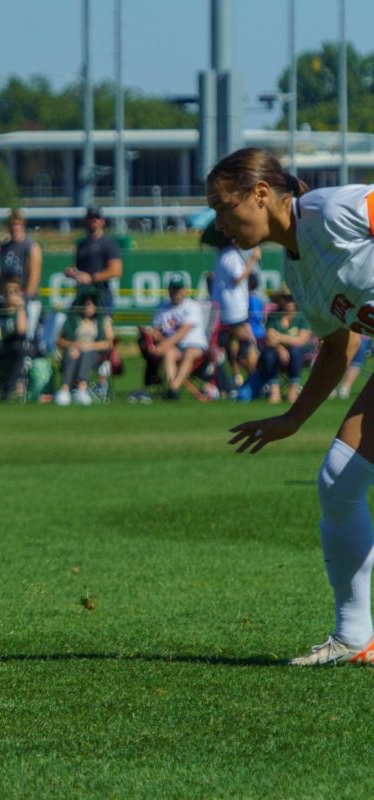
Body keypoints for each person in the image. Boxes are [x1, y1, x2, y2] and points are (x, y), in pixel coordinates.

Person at [212, 147, 374, 666]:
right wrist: (292, 418)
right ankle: (355, 638)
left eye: (223, 207)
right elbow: (338, 346)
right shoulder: (298, 271)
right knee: (339, 480)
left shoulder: (332, 210)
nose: (221, 223)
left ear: (261, 194)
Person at [136, 277, 208, 401]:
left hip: (195, 345)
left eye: (179, 289)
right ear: (168, 290)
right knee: (169, 354)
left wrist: (163, 345)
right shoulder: (162, 308)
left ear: (185, 291)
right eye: (173, 289)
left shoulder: (192, 306)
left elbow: (182, 332)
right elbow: (157, 330)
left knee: (189, 353)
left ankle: (173, 388)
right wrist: (150, 334)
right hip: (173, 347)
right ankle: (172, 388)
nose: (176, 292)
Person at [210, 241, 260, 389]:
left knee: (231, 345)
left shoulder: (222, 255)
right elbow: (238, 277)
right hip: (234, 310)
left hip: (225, 310)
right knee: (247, 345)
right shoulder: (231, 255)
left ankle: (236, 377)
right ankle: (255, 378)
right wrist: (253, 259)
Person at [53, 295, 113, 407]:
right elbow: (58, 340)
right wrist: (72, 345)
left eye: (90, 305)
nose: (87, 307)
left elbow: (109, 343)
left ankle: (82, 388)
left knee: (86, 353)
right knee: (73, 354)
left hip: (94, 352)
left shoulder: (102, 321)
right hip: (73, 349)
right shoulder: (72, 320)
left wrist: (89, 346)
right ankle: (64, 390)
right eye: (85, 305)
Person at [256, 289, 312, 404]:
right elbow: (270, 338)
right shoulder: (273, 316)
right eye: (286, 299)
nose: (289, 302)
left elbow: (302, 340)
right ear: (281, 300)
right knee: (269, 354)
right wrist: (280, 348)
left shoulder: (301, 316)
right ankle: (274, 390)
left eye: (292, 298)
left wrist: (280, 337)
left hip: (300, 354)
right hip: (276, 351)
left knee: (295, 351)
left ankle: (293, 390)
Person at [64, 206, 122, 312]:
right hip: (83, 293)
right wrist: (73, 273)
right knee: (73, 324)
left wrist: (92, 277)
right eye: (91, 218)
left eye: (97, 218)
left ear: (102, 221)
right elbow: (79, 268)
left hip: (101, 292)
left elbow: (116, 271)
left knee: (103, 325)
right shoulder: (82, 244)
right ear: (86, 221)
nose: (94, 220)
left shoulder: (108, 243)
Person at [0, 209, 43, 341]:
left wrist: (24, 299)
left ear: (23, 225)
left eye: (18, 224)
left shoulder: (31, 246)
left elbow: (34, 276)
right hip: (9, 299)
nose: (15, 228)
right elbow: (1, 276)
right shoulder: (5, 247)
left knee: (26, 336)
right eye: (12, 225)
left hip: (28, 299)